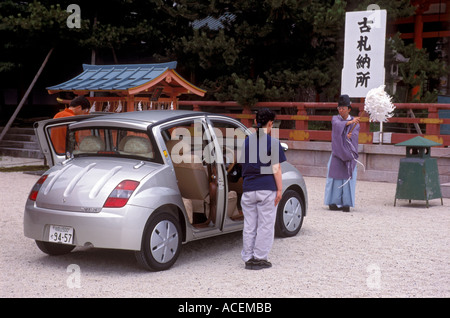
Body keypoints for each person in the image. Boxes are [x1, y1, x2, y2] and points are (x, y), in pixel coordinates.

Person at [240, 108, 286, 270]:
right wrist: (280, 190)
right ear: (270, 123)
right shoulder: (272, 142)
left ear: (256, 122)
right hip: (266, 188)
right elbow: (276, 168)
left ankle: (248, 257)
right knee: (265, 224)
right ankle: (260, 258)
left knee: (249, 225)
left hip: (248, 188)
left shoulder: (246, 141)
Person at [324, 94, 360, 212]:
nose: (341, 110)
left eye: (343, 108)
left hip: (348, 154)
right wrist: (348, 124)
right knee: (334, 178)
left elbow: (354, 136)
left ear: (349, 109)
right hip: (337, 153)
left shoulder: (356, 122)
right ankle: (332, 202)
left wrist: (349, 137)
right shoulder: (336, 119)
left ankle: (346, 204)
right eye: (339, 108)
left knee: (348, 178)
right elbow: (337, 127)